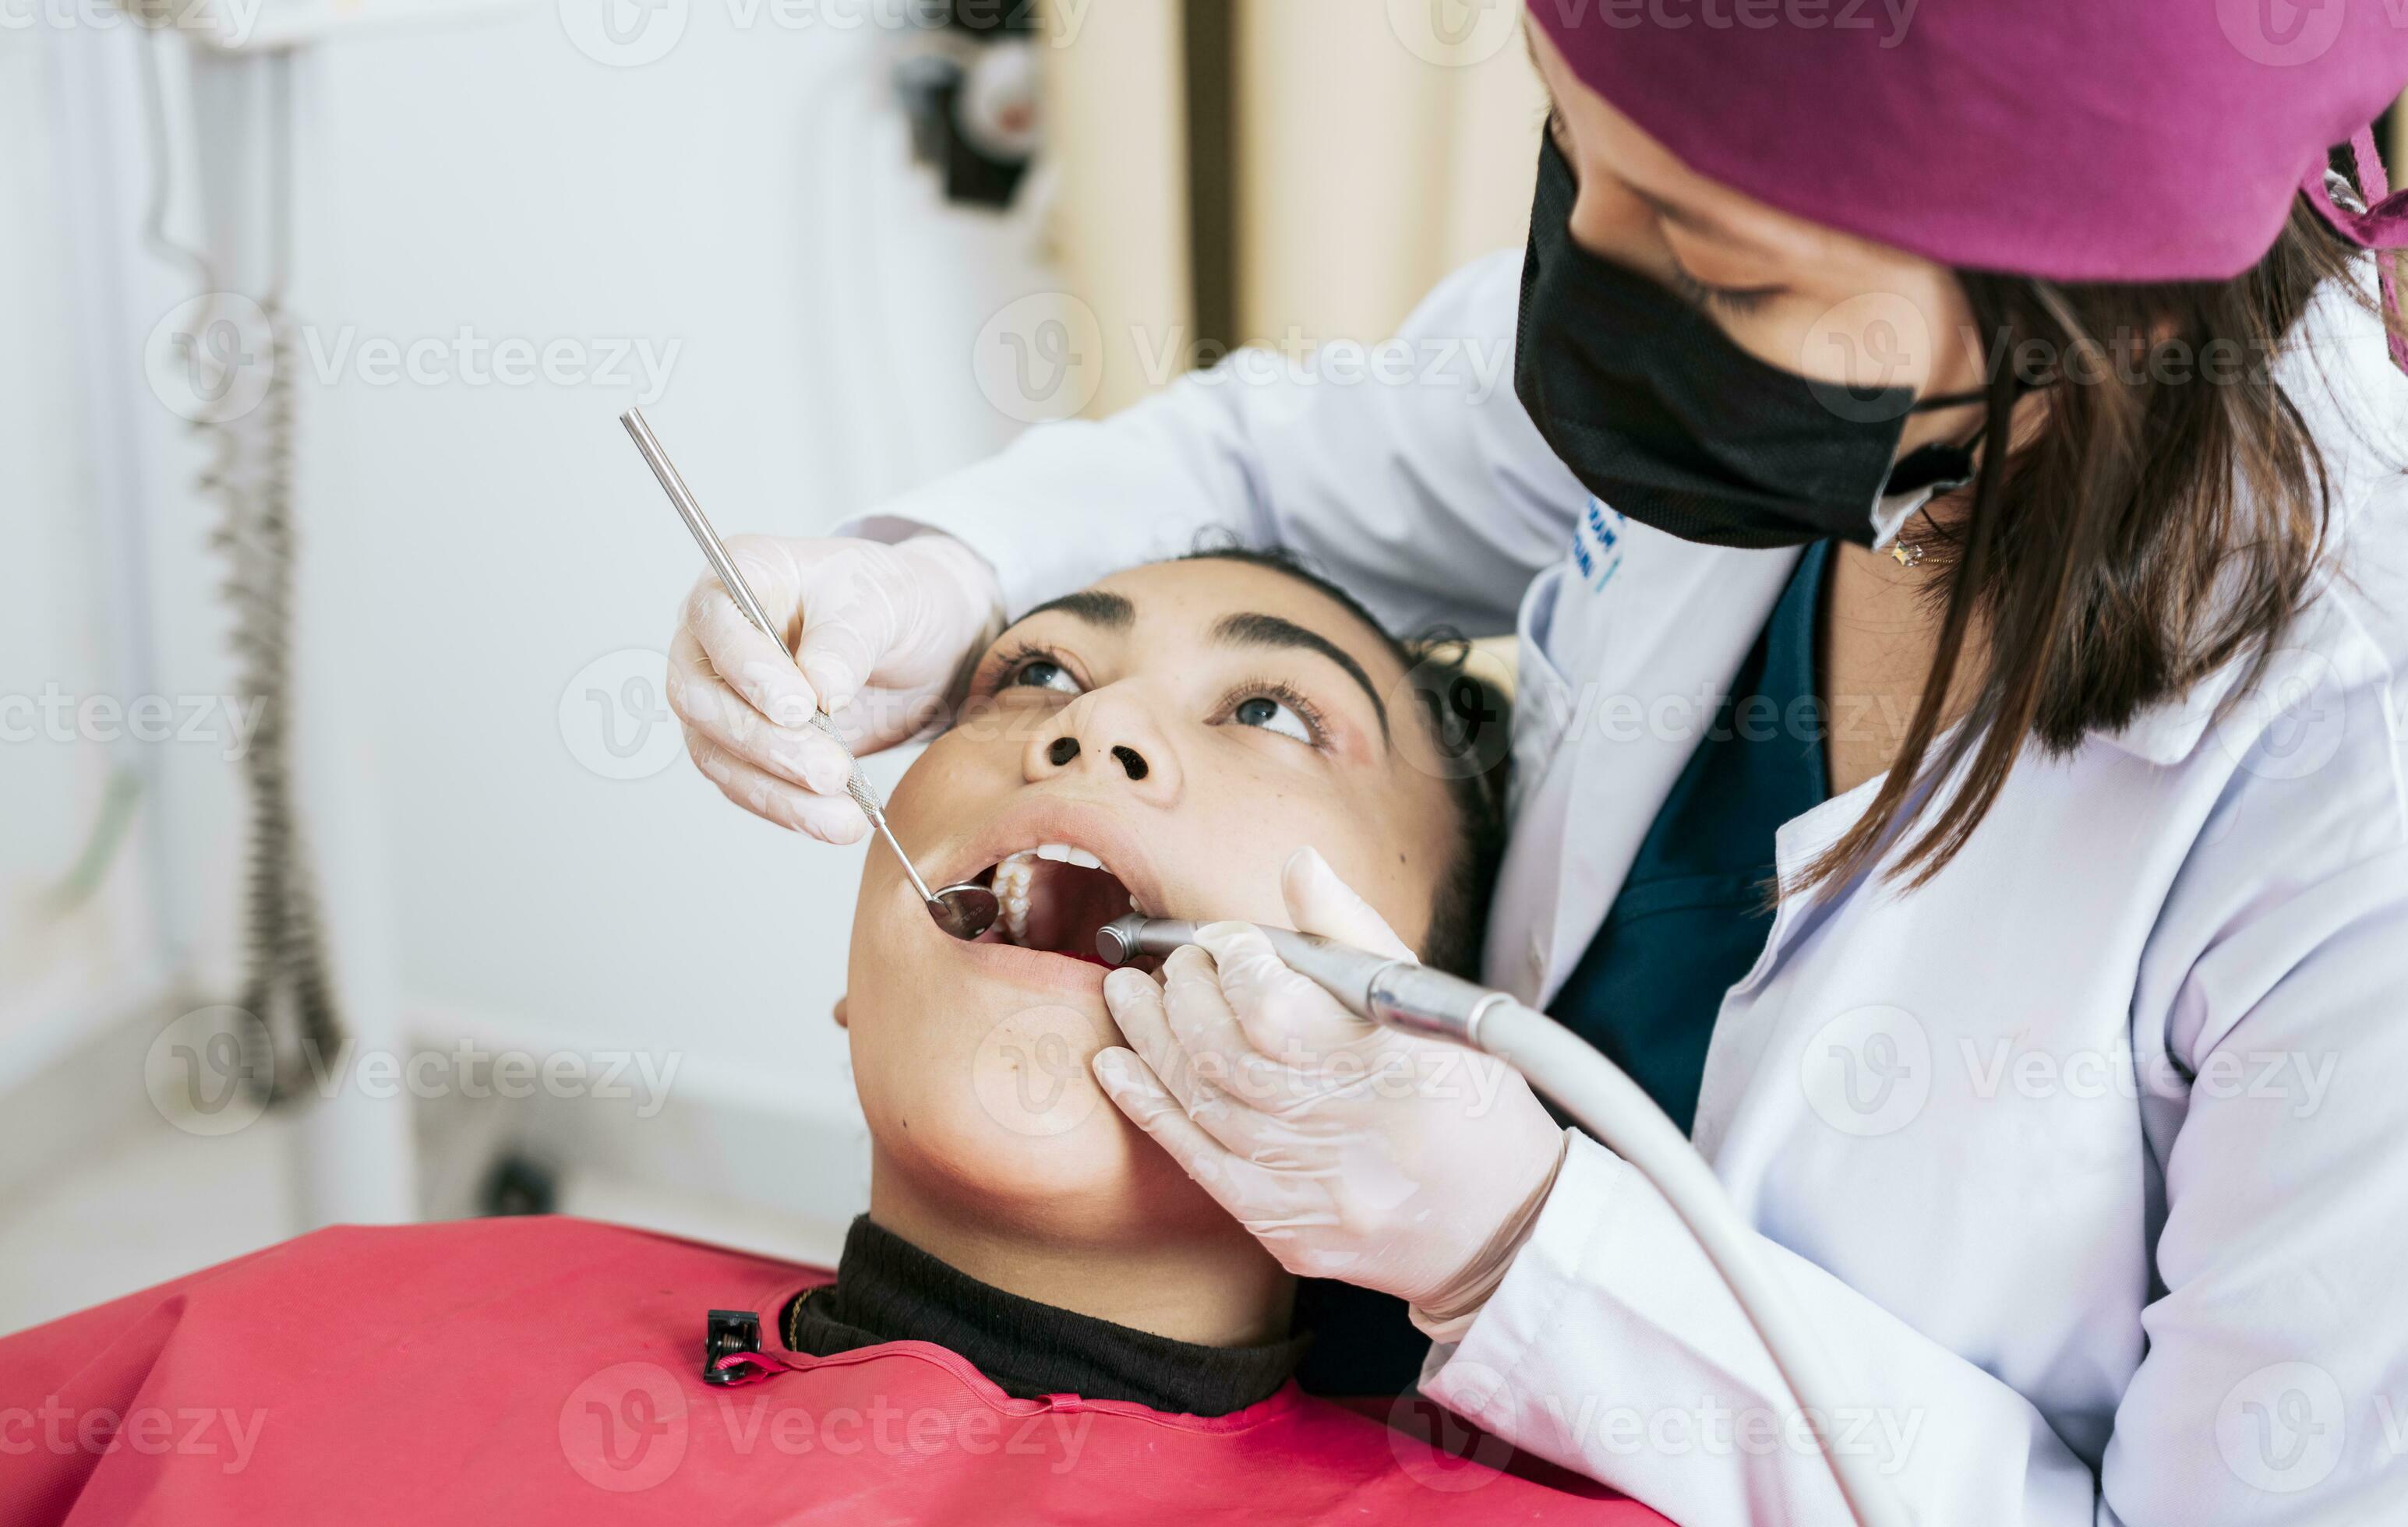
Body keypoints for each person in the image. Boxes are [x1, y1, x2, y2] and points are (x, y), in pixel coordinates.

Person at [666, 8, 2408, 1522]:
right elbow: (1286, 471)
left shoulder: (2347, 783)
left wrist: (1525, 1243)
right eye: (1569, 142)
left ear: (2094, 308)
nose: (1593, 271)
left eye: (1727, 270)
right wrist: (939, 573)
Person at [0, 552, 1652, 1525]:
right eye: (1032, 672)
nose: (1092, 723)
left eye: (1273, 713)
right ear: (859, 958)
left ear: (1436, 1014)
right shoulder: (319, 1320)